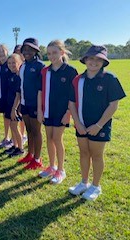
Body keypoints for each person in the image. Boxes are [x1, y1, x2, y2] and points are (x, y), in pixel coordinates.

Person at [68, 45, 125, 200]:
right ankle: (84, 182)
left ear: (104, 62)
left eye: (98, 59)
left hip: (100, 126)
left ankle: (95, 186)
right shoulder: (77, 80)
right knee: (84, 153)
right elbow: (71, 103)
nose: (94, 62)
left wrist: (99, 125)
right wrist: (78, 123)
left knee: (96, 155)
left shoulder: (110, 79)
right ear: (85, 59)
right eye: (91, 58)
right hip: (81, 124)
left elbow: (113, 105)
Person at [37, 40, 78, 184]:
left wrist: (69, 113)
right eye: (48, 53)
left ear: (62, 52)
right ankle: (52, 166)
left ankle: (61, 170)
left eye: (54, 52)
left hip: (62, 112)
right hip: (47, 111)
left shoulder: (70, 71)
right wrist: (40, 110)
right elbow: (40, 92)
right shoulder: (45, 71)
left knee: (56, 138)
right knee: (49, 138)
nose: (51, 56)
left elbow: (74, 95)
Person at [15, 38, 45, 169]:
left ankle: (37, 159)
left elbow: (42, 88)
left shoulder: (40, 66)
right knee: (28, 130)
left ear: (36, 50)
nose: (27, 52)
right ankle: (30, 154)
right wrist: (19, 103)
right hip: (24, 103)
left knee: (36, 130)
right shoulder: (23, 65)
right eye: (24, 49)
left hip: (35, 104)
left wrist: (40, 107)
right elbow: (21, 85)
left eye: (30, 49)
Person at [6, 54, 25, 157]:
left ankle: (20, 148)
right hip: (10, 104)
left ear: (19, 63)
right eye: (9, 63)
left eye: (14, 62)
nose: (11, 65)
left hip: (16, 107)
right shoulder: (11, 75)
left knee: (14, 126)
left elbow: (18, 95)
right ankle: (15, 145)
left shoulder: (18, 77)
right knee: (12, 127)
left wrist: (14, 109)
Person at [0, 44, 13, 148]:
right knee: (5, 117)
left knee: (12, 119)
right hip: (2, 96)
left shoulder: (10, 64)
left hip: (10, 97)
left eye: (2, 51)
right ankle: (6, 137)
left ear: (7, 51)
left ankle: (13, 139)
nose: (1, 53)